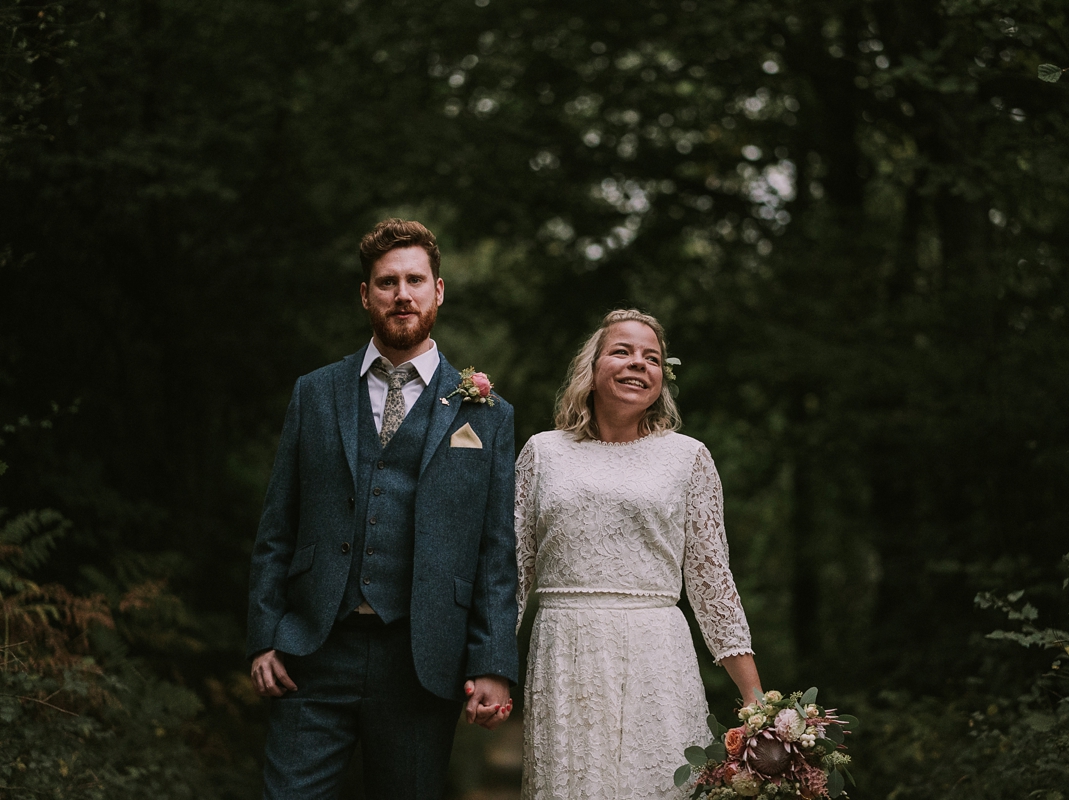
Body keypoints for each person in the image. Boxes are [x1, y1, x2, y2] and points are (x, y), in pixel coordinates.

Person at [245, 218, 519, 800]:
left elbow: (496, 552)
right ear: (365, 295)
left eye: (415, 280)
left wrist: (493, 661)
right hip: (313, 650)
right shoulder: (314, 393)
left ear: (438, 291)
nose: (402, 294)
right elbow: (277, 526)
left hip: (423, 659)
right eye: (387, 281)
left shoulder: (487, 414)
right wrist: (264, 634)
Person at [513, 309, 762, 799]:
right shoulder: (542, 453)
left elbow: (713, 585)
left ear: (661, 379)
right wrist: (490, 668)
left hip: (657, 654)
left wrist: (755, 698)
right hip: (565, 650)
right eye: (622, 351)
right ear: (593, 366)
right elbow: (512, 574)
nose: (637, 364)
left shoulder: (688, 458)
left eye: (652, 358)